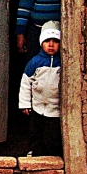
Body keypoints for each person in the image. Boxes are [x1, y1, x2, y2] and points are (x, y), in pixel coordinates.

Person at [19, 20, 62, 157]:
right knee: (35, 131)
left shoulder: (62, 62)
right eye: (47, 41)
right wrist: (25, 104)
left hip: (55, 107)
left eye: (55, 41)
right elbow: (26, 83)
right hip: (37, 105)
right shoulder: (35, 62)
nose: (51, 45)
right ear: (41, 42)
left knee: (52, 134)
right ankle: (35, 152)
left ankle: (52, 155)